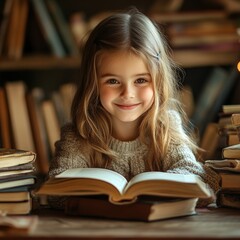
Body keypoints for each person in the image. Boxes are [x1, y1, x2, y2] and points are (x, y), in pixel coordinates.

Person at [48, 8, 220, 209]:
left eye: (140, 80)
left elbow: (194, 175)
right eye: (112, 81)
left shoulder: (166, 127)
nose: (127, 93)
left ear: (158, 80)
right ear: (92, 83)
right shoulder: (78, 135)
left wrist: (152, 189)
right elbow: (56, 189)